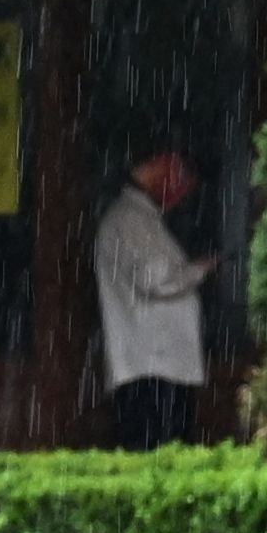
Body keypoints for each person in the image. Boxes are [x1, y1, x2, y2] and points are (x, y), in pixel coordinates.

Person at [96, 150, 218, 450]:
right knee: (157, 450)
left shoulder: (141, 219)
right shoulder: (130, 220)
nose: (182, 189)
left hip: (159, 363)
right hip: (150, 364)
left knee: (164, 449)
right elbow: (155, 280)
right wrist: (199, 270)